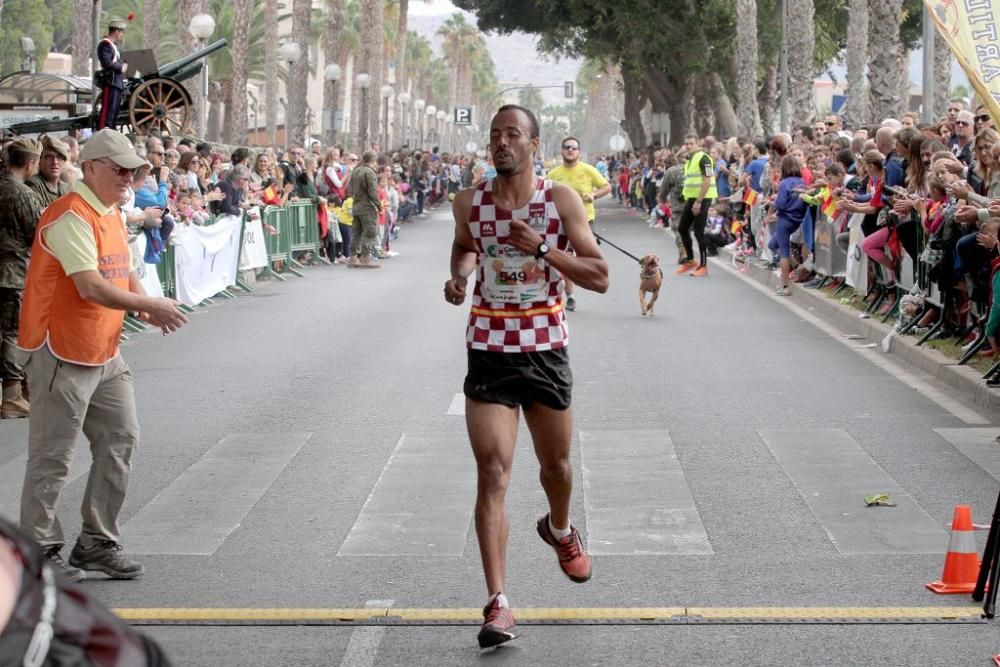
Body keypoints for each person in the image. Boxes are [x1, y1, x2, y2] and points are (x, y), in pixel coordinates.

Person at [443, 104, 608, 649]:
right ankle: (498, 604)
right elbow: (466, 247)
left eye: (512, 134)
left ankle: (559, 527)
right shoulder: (469, 203)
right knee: (492, 474)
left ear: (535, 144)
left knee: (556, 466)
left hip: (545, 348)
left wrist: (540, 248)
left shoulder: (558, 201)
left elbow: (600, 277)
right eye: (495, 135)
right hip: (489, 347)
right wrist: (460, 277)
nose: (501, 143)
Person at [17, 129, 188, 582]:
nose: (129, 177)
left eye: (134, 170)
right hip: (60, 350)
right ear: (91, 167)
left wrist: (146, 302)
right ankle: (38, 550)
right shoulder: (70, 215)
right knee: (52, 456)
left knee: (121, 439)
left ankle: (96, 542)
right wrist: (149, 306)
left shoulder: (109, 211)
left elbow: (123, 269)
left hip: (103, 350)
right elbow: (89, 285)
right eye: (120, 169)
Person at [0, 138, 43, 420]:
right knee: (13, 333)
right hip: (13, 271)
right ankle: (12, 395)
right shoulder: (23, 194)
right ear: (30, 163)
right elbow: (37, 234)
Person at [545, 136, 610, 311]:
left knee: (587, 259)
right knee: (565, 258)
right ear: (562, 151)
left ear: (579, 152)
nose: (570, 150)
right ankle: (570, 296)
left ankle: (594, 282)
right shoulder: (553, 174)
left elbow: (606, 186)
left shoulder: (588, 170)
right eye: (567, 147)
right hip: (560, 222)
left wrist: (594, 196)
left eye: (574, 148)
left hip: (584, 220)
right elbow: (544, 195)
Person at [675, 134, 716, 277]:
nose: (688, 146)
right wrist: (682, 150)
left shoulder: (704, 158)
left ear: (698, 144)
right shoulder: (690, 159)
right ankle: (691, 261)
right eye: (686, 144)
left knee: (699, 231)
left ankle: (703, 266)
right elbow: (677, 157)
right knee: (682, 228)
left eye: (691, 143)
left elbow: (707, 180)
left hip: (703, 198)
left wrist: (698, 202)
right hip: (692, 198)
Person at [767, 155, 808, 296]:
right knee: (773, 244)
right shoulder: (802, 182)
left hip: (784, 219)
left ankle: (784, 285)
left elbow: (781, 204)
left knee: (783, 251)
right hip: (796, 219)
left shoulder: (784, 183)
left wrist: (773, 202)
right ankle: (798, 266)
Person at [347, 151, 382, 269]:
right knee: (370, 232)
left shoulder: (356, 171)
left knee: (356, 232)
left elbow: (349, 189)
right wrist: (379, 205)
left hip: (356, 205)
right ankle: (365, 259)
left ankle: (353, 258)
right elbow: (373, 191)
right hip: (367, 206)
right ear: (373, 160)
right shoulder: (370, 172)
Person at [95, 18, 129, 130]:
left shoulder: (113, 45)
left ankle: (111, 129)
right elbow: (107, 62)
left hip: (117, 82)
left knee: (114, 111)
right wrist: (121, 67)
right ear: (116, 31)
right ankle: (104, 130)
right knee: (107, 112)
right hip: (111, 81)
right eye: (121, 32)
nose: (121, 35)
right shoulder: (105, 44)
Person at [26, 135, 71, 208]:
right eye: (49, 157)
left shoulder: (66, 188)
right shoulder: (33, 185)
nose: (55, 162)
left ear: (64, 161)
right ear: (40, 161)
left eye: (59, 157)